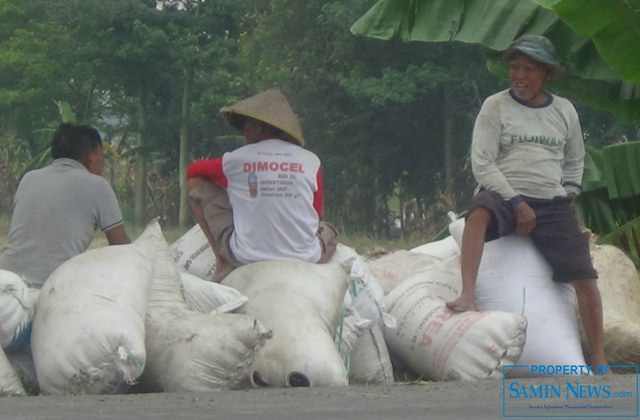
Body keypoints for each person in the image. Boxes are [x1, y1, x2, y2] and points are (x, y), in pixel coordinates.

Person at [445, 35, 608, 369]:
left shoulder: (564, 111)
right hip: (504, 195)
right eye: (515, 67)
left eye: (529, 69)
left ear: (546, 74)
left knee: (585, 277)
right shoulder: (495, 106)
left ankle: (600, 357)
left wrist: (569, 193)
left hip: (550, 202)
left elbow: (574, 159)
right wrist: (516, 202)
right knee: (477, 212)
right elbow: (484, 164)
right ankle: (468, 294)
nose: (520, 75)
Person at [187, 88, 338, 283]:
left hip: (245, 255)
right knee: (331, 235)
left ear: (260, 127)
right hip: (304, 256)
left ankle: (223, 262)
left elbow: (193, 172)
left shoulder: (236, 160)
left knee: (195, 185)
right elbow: (317, 215)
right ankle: (315, 270)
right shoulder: (311, 160)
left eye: (247, 124)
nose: (244, 130)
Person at [0, 123, 130, 288]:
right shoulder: (98, 186)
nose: (103, 161)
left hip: (7, 282)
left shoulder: (29, 179)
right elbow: (122, 248)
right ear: (91, 157)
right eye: (101, 155)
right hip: (52, 287)